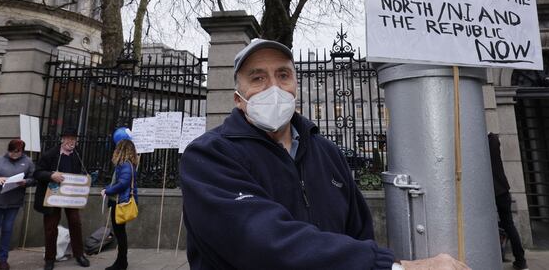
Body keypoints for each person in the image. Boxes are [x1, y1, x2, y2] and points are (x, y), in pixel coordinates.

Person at [179, 39, 469, 270]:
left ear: (296, 86)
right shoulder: (209, 156)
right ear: (238, 99)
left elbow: (359, 231)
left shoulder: (326, 152)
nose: (275, 88)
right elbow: (261, 241)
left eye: (283, 75)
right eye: (257, 78)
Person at [34, 126, 90, 270]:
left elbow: (80, 172)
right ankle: (50, 258)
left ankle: (79, 254)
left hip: (70, 196)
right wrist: (51, 175)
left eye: (74, 139)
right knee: (51, 227)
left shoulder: (77, 154)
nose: (71, 142)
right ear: (62, 139)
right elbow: (37, 173)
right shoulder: (50, 154)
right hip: (52, 196)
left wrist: (86, 178)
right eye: (68, 139)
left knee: (75, 223)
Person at [0, 139, 36, 270]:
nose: (15, 154)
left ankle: (3, 260)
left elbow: (34, 179)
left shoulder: (27, 162)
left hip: (13, 202)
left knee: (7, 230)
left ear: (22, 151)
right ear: (8, 150)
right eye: (12, 152)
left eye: (18, 152)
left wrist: (25, 182)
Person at [488, 132, 528, 270]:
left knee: (486, 224)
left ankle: (492, 256)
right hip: (503, 190)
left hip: (487, 191)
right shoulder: (493, 140)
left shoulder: (478, 144)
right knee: (509, 225)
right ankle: (521, 261)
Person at [101, 138, 139, 270]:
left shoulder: (125, 165)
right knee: (120, 232)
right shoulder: (128, 165)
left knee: (120, 233)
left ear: (121, 150)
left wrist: (108, 190)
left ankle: (122, 262)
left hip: (120, 203)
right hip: (119, 201)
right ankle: (121, 261)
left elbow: (122, 184)